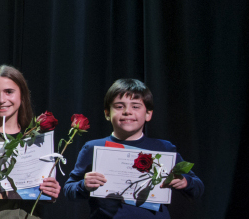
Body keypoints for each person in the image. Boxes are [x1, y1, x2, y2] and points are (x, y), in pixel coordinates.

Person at [62, 79, 204, 218]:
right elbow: (69, 190)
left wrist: (185, 181)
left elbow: (198, 188)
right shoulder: (93, 147)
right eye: (119, 106)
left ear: (148, 114)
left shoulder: (164, 148)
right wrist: (84, 185)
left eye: (135, 106)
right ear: (107, 113)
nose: (127, 112)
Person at [0, 66, 61, 218]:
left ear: (22, 94)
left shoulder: (37, 138)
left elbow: (41, 191)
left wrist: (50, 192)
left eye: (9, 92)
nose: (2, 100)